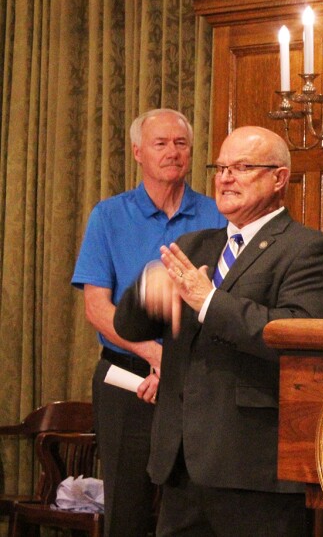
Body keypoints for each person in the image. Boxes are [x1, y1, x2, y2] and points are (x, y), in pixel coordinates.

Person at [113, 126, 323, 536]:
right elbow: (128, 326)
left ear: (279, 178)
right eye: (220, 168)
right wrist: (146, 288)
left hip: (253, 472)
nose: (225, 178)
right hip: (180, 466)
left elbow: (297, 338)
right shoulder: (196, 244)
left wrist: (209, 302)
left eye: (242, 167)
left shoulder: (308, 249)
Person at [72, 109, 226, 537]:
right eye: (161, 144)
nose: (173, 153)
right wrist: (155, 354)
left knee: (193, 508)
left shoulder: (218, 215)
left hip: (196, 379)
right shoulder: (108, 216)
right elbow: (97, 309)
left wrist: (174, 364)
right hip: (126, 377)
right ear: (138, 152)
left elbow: (226, 303)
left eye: (180, 144)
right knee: (127, 505)